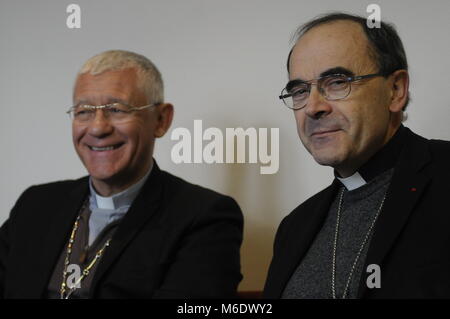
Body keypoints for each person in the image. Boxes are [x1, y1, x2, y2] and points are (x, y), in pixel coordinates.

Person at [0, 50, 243, 299]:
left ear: (161, 120)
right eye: (84, 111)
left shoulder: (204, 217)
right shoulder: (35, 205)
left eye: (117, 109)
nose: (98, 127)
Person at [264, 13, 450, 298]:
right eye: (300, 90)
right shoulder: (294, 227)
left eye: (337, 82)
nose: (313, 107)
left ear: (395, 90)